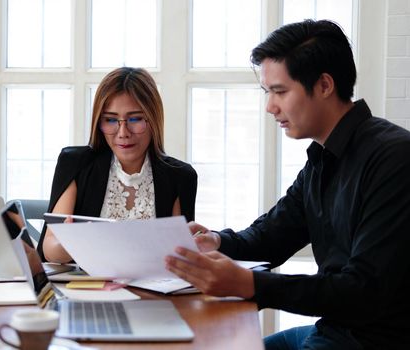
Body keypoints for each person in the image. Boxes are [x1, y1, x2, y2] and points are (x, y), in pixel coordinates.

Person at [165, 19, 410, 349]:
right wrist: (217, 243)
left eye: (280, 91)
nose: (270, 107)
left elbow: (364, 291)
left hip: (371, 341)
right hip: (334, 331)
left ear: (324, 85)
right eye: (268, 93)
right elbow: (273, 235)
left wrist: (250, 284)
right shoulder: (322, 159)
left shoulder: (394, 157)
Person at [38, 67, 197, 263]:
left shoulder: (180, 176)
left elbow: (180, 259)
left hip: (153, 291)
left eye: (135, 119)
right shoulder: (75, 163)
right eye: (111, 120)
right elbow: (50, 250)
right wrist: (77, 241)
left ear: (153, 119)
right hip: (84, 290)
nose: (123, 132)